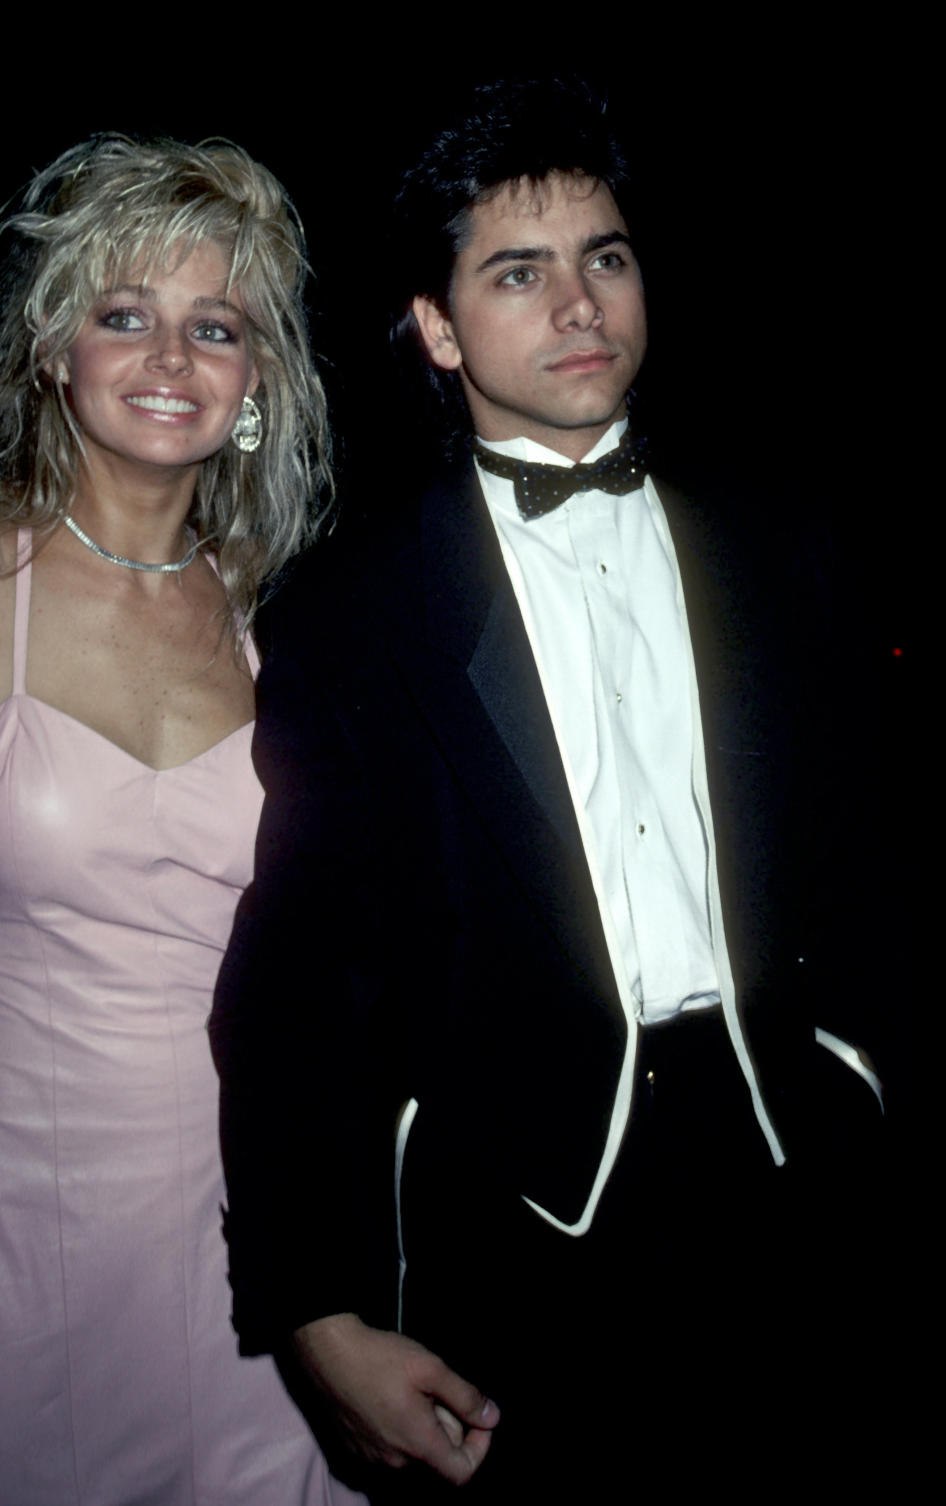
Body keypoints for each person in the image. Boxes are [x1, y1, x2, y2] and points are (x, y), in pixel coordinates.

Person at [211, 82, 890, 1500]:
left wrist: (865, 1067)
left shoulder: (789, 545)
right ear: (441, 325)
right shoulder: (352, 613)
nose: (579, 302)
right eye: (520, 272)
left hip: (799, 1173)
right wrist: (318, 1309)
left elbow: (877, 860)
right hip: (518, 1225)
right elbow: (297, 993)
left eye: (608, 257)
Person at [0, 136, 366, 1505]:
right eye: (123, 314)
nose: (169, 357)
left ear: (256, 375)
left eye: (215, 326)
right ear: (55, 348)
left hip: (255, 1241)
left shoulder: (292, 622)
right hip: (32, 1245)